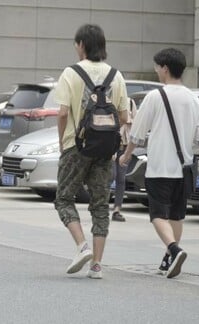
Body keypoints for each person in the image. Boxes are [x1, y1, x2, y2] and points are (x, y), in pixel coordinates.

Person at [119, 48, 199, 279]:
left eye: (157, 67)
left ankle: (174, 249)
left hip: (160, 167)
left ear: (165, 69)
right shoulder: (194, 99)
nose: (156, 71)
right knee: (177, 216)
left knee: (158, 215)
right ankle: (169, 259)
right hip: (185, 168)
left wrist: (127, 155)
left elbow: (138, 134)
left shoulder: (155, 97)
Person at [54, 24, 129, 279]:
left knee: (64, 198)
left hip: (76, 146)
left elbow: (63, 112)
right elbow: (124, 115)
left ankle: (81, 246)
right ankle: (96, 265)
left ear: (82, 45)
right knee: (99, 205)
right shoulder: (116, 76)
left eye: (77, 44)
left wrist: (62, 141)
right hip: (105, 149)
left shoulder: (70, 73)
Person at [111, 98, 137, 222]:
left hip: (124, 145)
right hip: (110, 145)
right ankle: (100, 206)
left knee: (121, 178)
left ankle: (117, 209)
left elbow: (136, 125)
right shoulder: (109, 101)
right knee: (111, 175)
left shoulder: (130, 103)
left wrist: (130, 150)